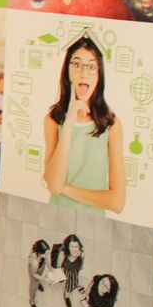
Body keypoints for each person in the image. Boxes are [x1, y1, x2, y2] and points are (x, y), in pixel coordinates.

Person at [42, 34, 127, 214]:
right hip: (56, 217)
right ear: (67, 71)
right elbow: (53, 184)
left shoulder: (111, 125)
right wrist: (68, 124)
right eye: (77, 64)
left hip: (93, 222)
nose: (84, 73)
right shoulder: (52, 120)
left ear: (99, 74)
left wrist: (64, 189)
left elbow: (117, 202)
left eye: (92, 66)